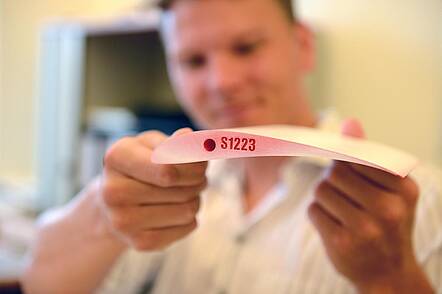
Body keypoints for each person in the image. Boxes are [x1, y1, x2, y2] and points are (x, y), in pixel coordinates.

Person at [23, 0, 442, 293]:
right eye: (193, 61)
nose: (221, 82)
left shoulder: (419, 202)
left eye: (246, 48)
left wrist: (390, 278)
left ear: (303, 47)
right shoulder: (164, 184)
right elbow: (40, 283)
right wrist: (104, 210)